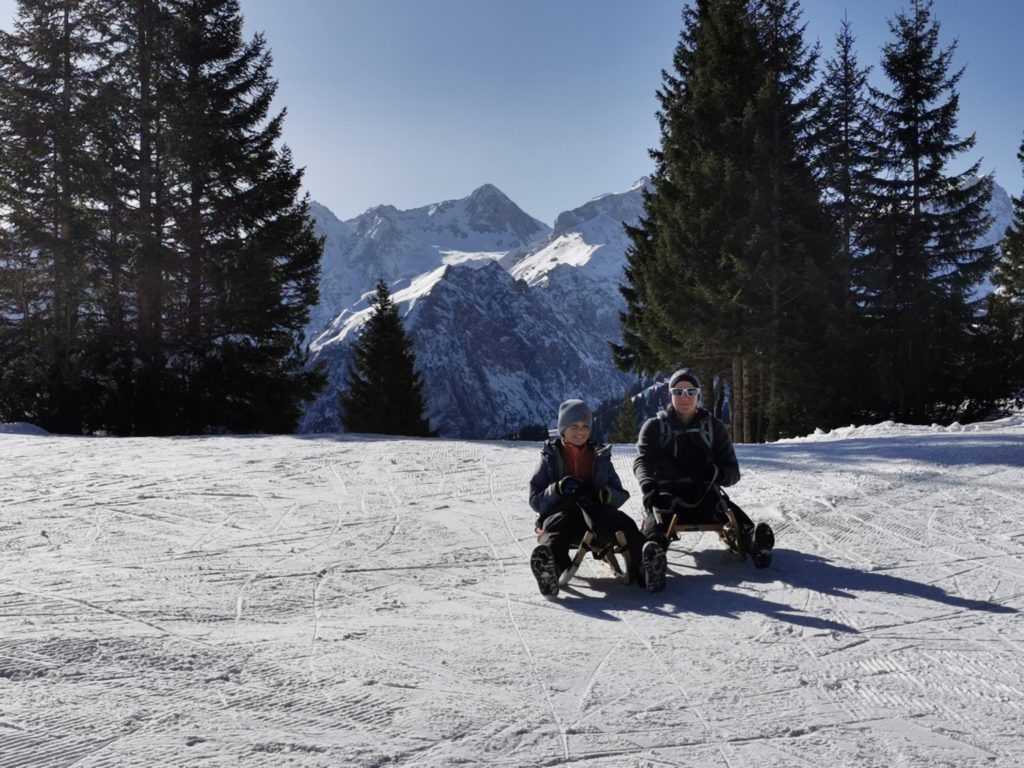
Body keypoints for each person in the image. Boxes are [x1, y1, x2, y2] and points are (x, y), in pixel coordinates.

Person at [633, 368, 774, 567]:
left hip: (704, 493)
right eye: (678, 392)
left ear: (698, 394)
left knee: (726, 509)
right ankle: (653, 555)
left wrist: (715, 473)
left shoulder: (714, 428)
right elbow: (642, 461)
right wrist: (648, 485)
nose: (685, 397)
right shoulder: (654, 427)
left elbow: (733, 471)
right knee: (657, 521)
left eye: (690, 392)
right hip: (667, 496)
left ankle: (754, 542)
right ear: (669, 394)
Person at [529, 399, 667, 596]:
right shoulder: (550, 458)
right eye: (574, 426)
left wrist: (605, 494)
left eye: (585, 426)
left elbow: (620, 493)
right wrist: (558, 489)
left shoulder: (599, 456)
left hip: (597, 511)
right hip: (563, 512)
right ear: (562, 429)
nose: (580, 432)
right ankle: (549, 569)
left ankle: (646, 565)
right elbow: (535, 499)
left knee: (623, 524)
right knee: (556, 531)